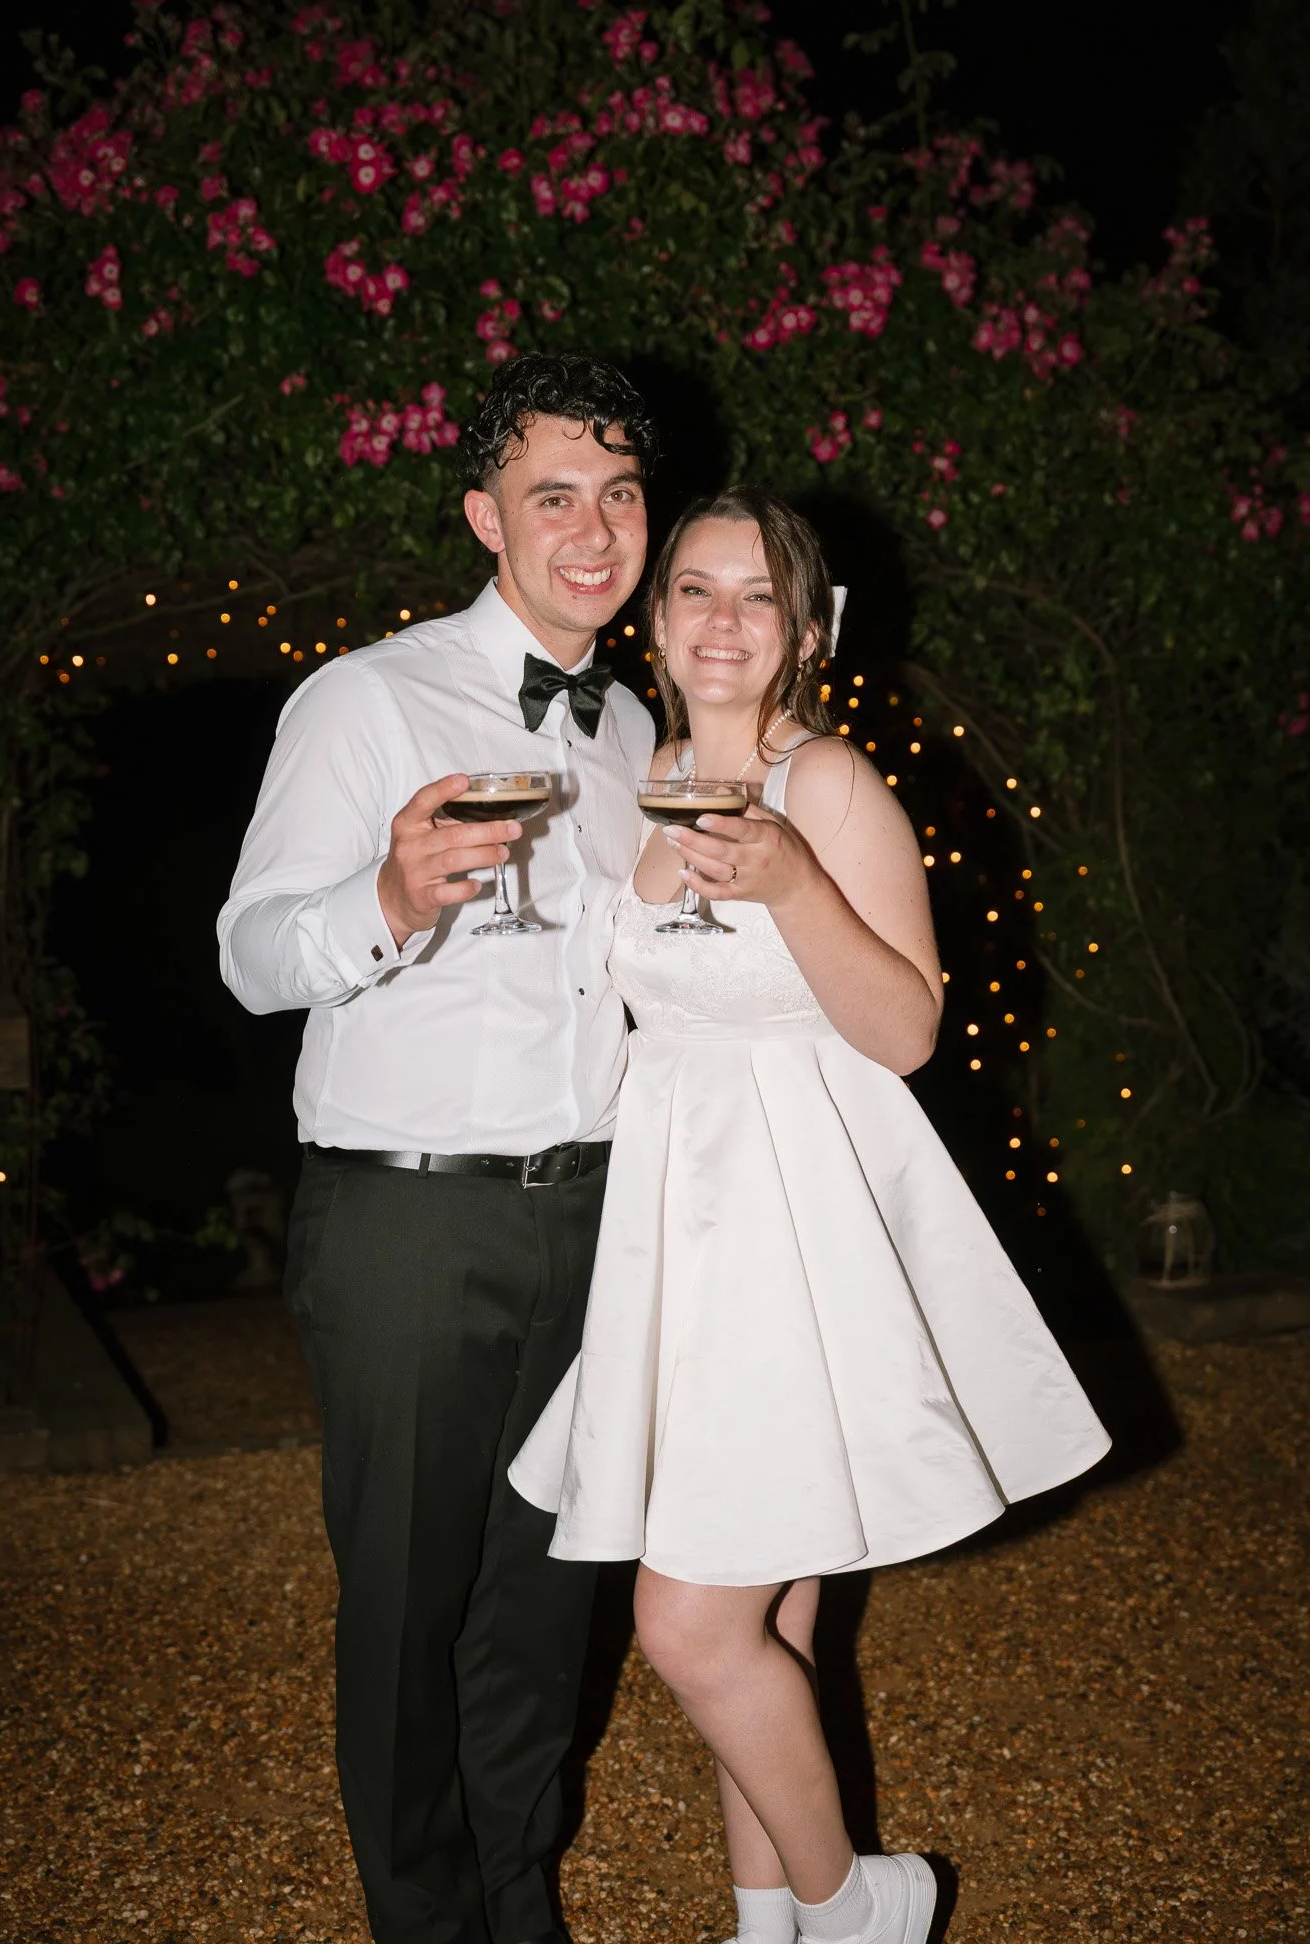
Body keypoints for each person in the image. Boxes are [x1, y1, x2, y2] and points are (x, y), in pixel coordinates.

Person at [510, 487, 1111, 1944]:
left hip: (796, 1224)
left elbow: (907, 1028)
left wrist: (790, 884)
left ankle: (859, 1900)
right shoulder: (638, 773)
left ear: (803, 631)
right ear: (655, 621)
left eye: (757, 597)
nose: (723, 621)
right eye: (697, 591)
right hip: (681, 1224)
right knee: (770, 1625)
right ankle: (767, 1927)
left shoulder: (830, 783)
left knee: (687, 1622)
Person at [217, 353, 658, 1944]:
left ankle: (518, 1898)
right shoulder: (366, 698)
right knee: (406, 1611)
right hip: (407, 1228)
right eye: (554, 494)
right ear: (486, 516)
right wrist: (390, 902)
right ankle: (428, 1922)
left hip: (594, 1217)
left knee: (546, 1609)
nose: (594, 527)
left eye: (618, 493)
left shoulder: (636, 738)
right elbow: (251, 956)